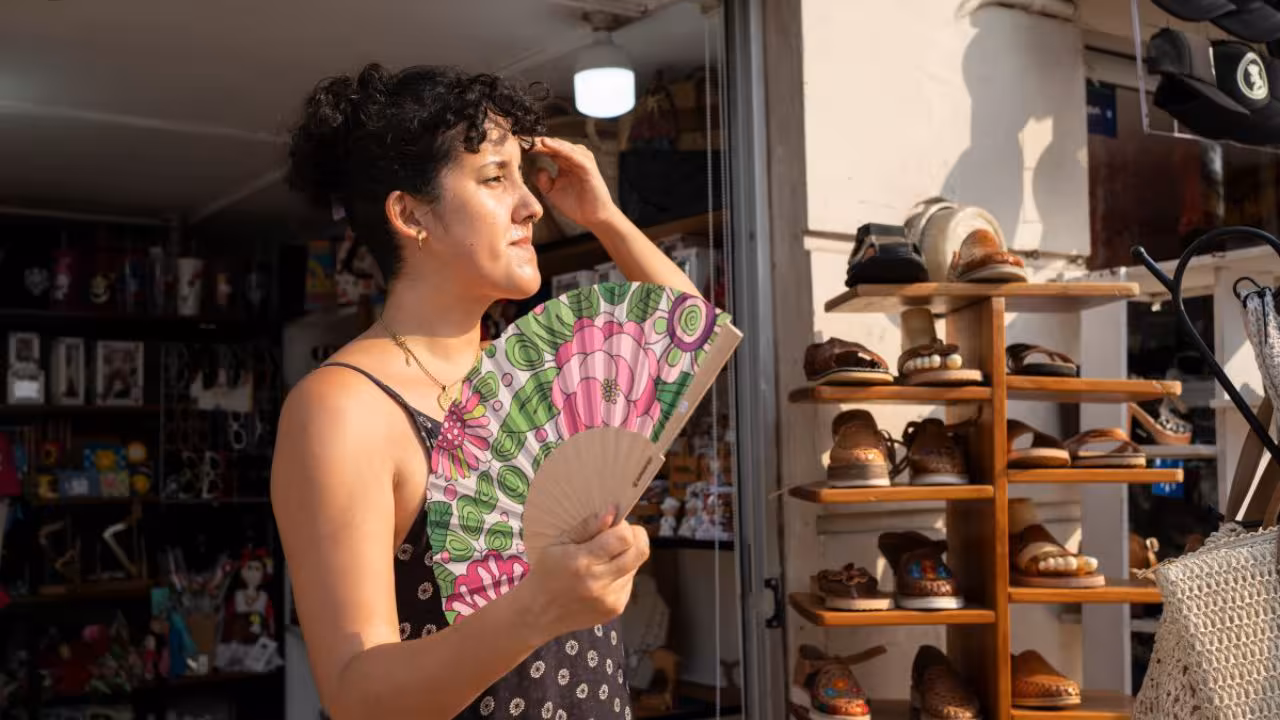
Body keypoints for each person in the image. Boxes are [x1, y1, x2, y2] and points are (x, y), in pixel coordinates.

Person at [272, 63, 701, 720]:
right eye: (496, 178)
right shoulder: (344, 409)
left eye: (524, 177)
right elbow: (356, 695)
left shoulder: (524, 380)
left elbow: (689, 335)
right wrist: (541, 608)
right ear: (410, 214)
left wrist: (604, 216)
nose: (532, 206)